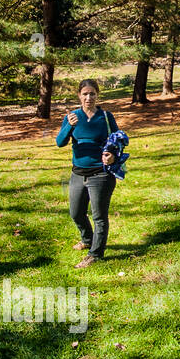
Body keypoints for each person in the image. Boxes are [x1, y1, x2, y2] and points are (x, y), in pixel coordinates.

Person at [55, 82, 122, 265]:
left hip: (100, 174)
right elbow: (60, 142)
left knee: (99, 216)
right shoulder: (72, 117)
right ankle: (87, 239)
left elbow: (119, 141)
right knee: (76, 213)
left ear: (97, 95)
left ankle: (95, 254)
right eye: (85, 94)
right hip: (78, 173)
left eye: (92, 94)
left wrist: (112, 157)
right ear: (79, 95)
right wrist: (68, 127)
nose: (88, 98)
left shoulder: (106, 117)